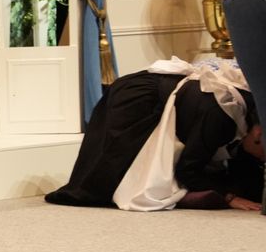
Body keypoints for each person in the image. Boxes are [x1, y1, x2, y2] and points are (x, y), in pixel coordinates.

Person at [45, 58, 263, 211]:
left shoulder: (252, 112)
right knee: (112, 180)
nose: (263, 158)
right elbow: (188, 169)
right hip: (138, 98)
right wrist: (229, 198)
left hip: (173, 97)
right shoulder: (222, 118)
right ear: (258, 133)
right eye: (263, 152)